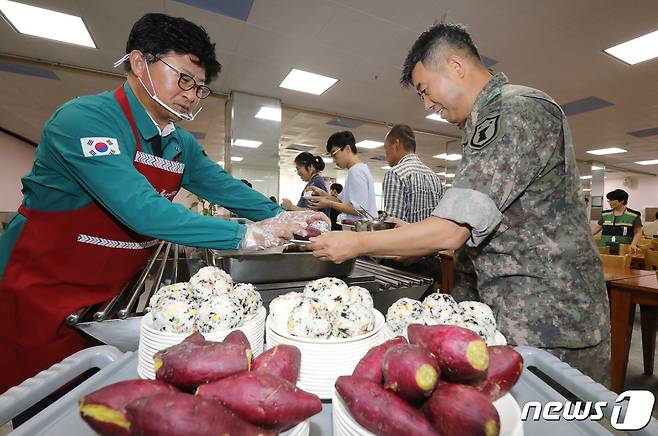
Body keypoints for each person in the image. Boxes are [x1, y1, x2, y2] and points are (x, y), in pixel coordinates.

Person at [0, 13, 326, 392]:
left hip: (107, 303)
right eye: (183, 78)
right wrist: (248, 234)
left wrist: (284, 215)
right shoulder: (85, 120)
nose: (191, 93)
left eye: (199, 87)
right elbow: (142, 210)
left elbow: (224, 187)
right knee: (42, 404)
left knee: (102, 397)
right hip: (40, 296)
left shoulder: (178, 142)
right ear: (140, 63)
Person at [309, 22, 610, 385]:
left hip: (549, 322)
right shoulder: (480, 125)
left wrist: (355, 243)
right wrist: (416, 236)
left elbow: (452, 230)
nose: (426, 103)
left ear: (455, 65)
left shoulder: (514, 110)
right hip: (512, 314)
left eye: (425, 89)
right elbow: (484, 224)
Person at [380, 124, 443, 288]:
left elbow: (394, 225)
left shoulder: (396, 173)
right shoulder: (434, 176)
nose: (386, 156)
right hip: (430, 261)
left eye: (386, 150)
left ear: (396, 144)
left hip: (404, 264)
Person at [307, 131, 377, 221]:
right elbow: (342, 202)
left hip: (362, 230)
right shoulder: (357, 169)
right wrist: (323, 194)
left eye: (334, 154)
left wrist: (329, 203)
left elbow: (360, 209)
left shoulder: (356, 171)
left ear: (347, 149)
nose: (334, 160)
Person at [591, 189, 642, 254]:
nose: (610, 202)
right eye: (609, 200)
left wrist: (633, 244)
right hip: (604, 248)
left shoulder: (634, 215)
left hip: (624, 249)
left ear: (622, 201)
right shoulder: (605, 214)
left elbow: (638, 232)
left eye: (612, 200)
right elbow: (596, 228)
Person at [281, 152, 330, 217]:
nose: (298, 173)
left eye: (298, 168)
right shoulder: (313, 182)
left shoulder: (316, 183)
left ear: (310, 167)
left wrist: (291, 206)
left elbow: (312, 212)